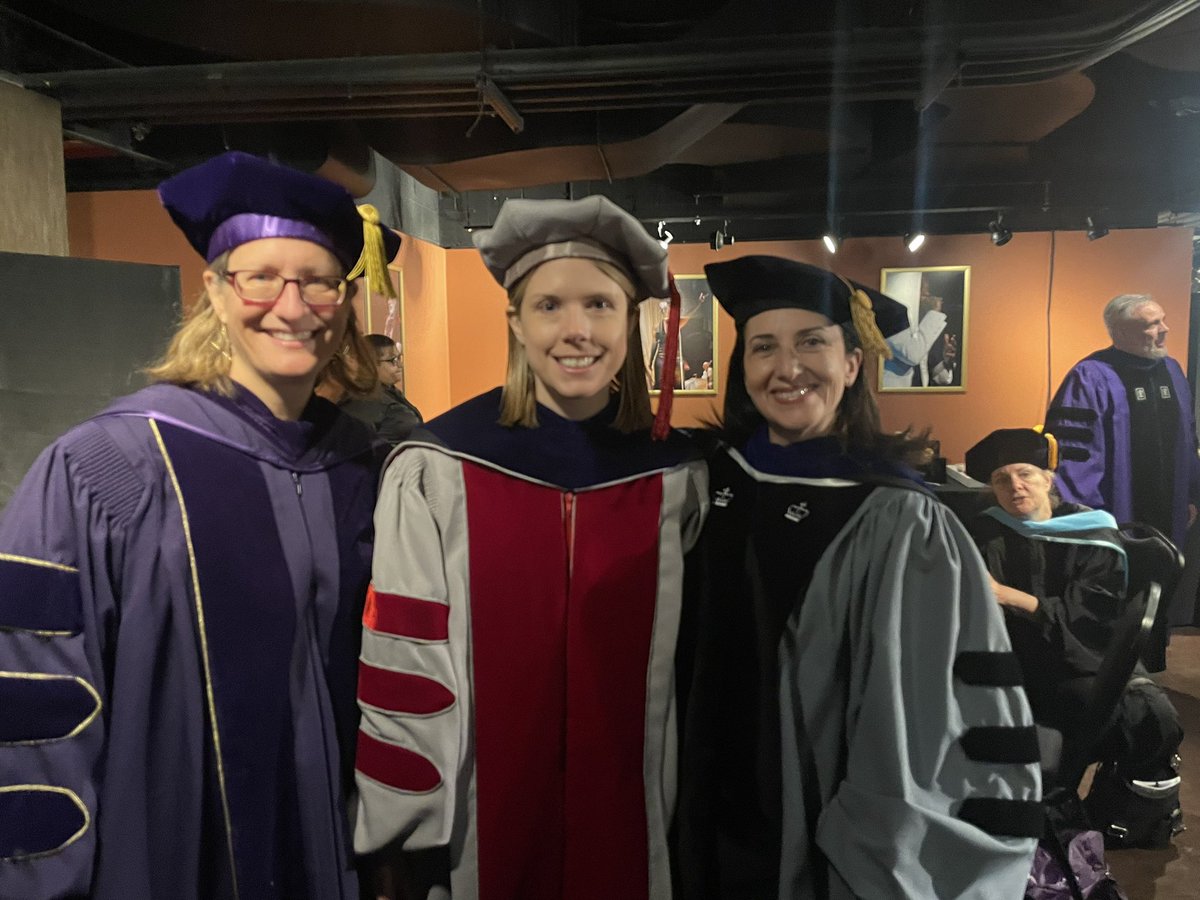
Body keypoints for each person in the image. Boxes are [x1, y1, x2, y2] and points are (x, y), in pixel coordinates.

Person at [0, 150, 401, 899]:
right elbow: (35, 700)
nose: (291, 306)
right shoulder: (109, 468)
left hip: (330, 853)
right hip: (165, 855)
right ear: (214, 291)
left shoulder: (365, 470)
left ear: (344, 305)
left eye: (318, 282)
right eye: (261, 278)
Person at [353, 195, 708, 900]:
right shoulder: (437, 468)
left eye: (600, 305)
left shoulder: (680, 477)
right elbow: (405, 662)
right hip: (475, 837)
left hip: (642, 823)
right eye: (549, 306)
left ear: (630, 320)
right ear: (515, 321)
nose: (576, 330)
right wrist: (402, 833)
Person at [674, 256, 1041, 900]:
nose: (787, 369)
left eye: (811, 342)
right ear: (744, 369)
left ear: (851, 363)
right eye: (764, 347)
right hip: (693, 806)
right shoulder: (705, 484)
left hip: (814, 836)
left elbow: (929, 725)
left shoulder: (899, 518)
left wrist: (869, 859)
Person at [964, 428, 1184, 849]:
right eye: (1001, 480)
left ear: (1049, 477)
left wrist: (1009, 597)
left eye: (1025, 473)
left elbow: (1090, 624)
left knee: (1130, 712)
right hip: (1008, 659)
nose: (1015, 487)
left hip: (1078, 663)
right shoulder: (986, 535)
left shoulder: (1093, 534)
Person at [1045, 293, 1200, 553]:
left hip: (1172, 507)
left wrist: (1191, 493)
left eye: (1163, 320)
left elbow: (1187, 438)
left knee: (1167, 577)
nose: (1165, 329)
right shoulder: (1090, 376)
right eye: (1152, 324)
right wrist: (1088, 515)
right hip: (1116, 509)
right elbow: (1075, 453)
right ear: (1121, 333)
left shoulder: (1171, 370)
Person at [339, 333, 424, 444]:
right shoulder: (362, 400)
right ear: (370, 364)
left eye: (399, 358)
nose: (400, 365)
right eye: (392, 360)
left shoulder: (389, 392)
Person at [881, 291, 953, 387]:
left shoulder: (927, 330)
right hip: (894, 395)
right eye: (923, 289)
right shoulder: (892, 318)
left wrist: (946, 361)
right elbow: (912, 355)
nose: (928, 295)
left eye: (928, 291)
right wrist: (935, 311)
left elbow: (942, 378)